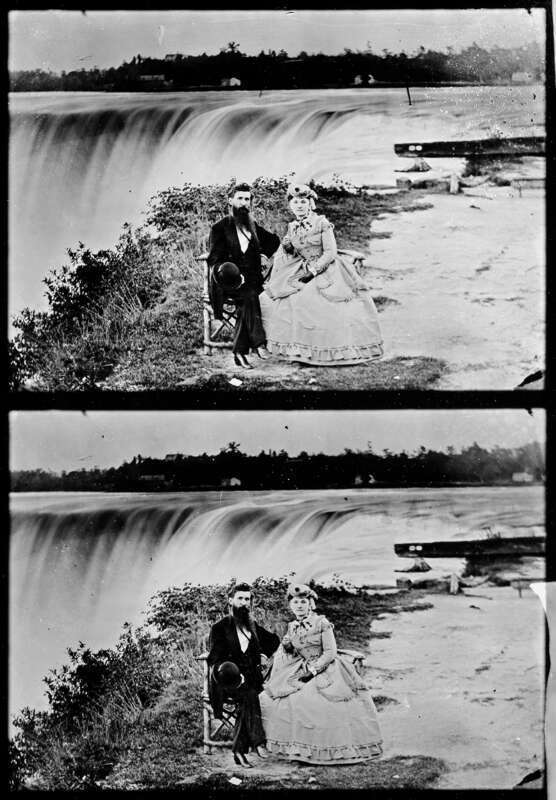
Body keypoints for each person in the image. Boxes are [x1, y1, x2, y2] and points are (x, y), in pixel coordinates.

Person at [259, 583, 383, 765]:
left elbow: (330, 652)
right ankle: (298, 749)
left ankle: (327, 751)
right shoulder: (292, 626)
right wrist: (288, 646)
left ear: (310, 604)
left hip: (326, 668)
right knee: (274, 699)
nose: (299, 606)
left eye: (303, 602)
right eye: (295, 602)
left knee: (312, 702)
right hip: (300, 668)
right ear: (290, 605)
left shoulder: (322, 623)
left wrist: (313, 670)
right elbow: (293, 653)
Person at [263, 183, 384, 365]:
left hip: (326, 269)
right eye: (295, 202)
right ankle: (300, 351)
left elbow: (330, 252)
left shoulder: (322, 223)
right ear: (290, 205)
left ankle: (328, 351)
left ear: (310, 203)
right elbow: (291, 254)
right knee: (281, 299)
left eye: (303, 202)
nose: (299, 206)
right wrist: (288, 248)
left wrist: (312, 271)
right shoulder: (293, 226)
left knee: (310, 300)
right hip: (301, 268)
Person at [208, 183, 280, 369]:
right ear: (230, 200)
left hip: (251, 283)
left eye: (247, 199)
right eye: (240, 198)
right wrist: (230, 273)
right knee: (249, 297)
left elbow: (274, 241)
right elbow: (213, 259)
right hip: (227, 282)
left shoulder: (252, 226)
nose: (243, 203)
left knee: (248, 299)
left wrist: (264, 254)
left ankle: (239, 353)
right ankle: (259, 343)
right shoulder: (220, 228)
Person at [207, 582, 280, 766]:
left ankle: (239, 751)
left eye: (247, 599)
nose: (244, 602)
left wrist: (263, 653)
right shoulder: (220, 627)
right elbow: (213, 658)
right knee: (249, 695)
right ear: (231, 600)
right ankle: (258, 742)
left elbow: (274, 640)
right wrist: (231, 671)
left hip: (250, 682)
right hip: (226, 681)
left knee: (249, 696)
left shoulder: (252, 626)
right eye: (240, 598)